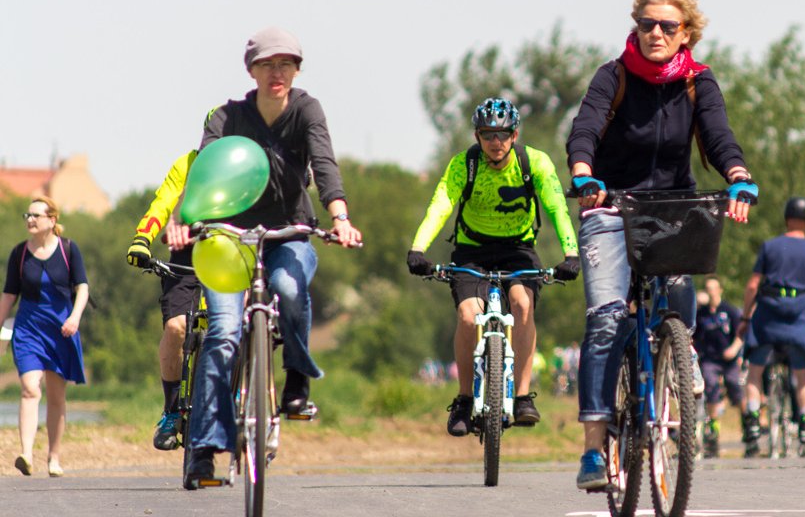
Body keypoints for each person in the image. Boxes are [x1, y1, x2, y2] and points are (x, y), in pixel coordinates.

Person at [565, 0, 757, 489]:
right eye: (647, 24)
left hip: (673, 206)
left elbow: (718, 136)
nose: (655, 33)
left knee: (676, 302)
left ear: (685, 33)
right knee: (607, 320)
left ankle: (681, 348)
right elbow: (583, 129)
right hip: (610, 205)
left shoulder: (697, 82)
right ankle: (592, 450)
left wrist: (737, 174)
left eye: (667, 26)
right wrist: (584, 172)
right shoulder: (613, 76)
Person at [185, 27, 363, 489]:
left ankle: (298, 381)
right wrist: (186, 218)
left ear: (297, 69)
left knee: (287, 287)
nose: (276, 72)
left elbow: (324, 165)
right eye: (267, 64)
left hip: (288, 233)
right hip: (228, 236)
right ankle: (203, 449)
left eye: (285, 63)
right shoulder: (227, 117)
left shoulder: (306, 110)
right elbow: (204, 169)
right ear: (252, 70)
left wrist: (339, 216)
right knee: (222, 332)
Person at [405, 97, 580, 433]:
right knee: (469, 316)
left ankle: (525, 396)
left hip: (518, 250)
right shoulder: (464, 165)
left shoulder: (535, 163)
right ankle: (465, 399)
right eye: (488, 135)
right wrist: (418, 248)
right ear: (477, 136)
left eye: (503, 135)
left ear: (515, 136)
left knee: (522, 304)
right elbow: (441, 204)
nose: (495, 143)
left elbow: (558, 208)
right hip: (472, 251)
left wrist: (570, 253)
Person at [739, 197, 805, 455]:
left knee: (755, 369)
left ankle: (754, 419)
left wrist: (745, 319)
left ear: (786, 218)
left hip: (768, 315)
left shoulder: (769, 246)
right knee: (803, 373)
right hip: (798, 317)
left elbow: (753, 285)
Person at [1, 197, 89, 477]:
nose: (30, 219)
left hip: (60, 329)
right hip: (28, 329)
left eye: (36, 215)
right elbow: (9, 295)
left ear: (52, 220)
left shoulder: (68, 250)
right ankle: (26, 453)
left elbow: (83, 288)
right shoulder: (19, 254)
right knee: (29, 388)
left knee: (56, 395)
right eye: (28, 214)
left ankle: (53, 457)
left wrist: (74, 318)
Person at [124, 149, 201, 450]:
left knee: (238, 323)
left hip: (231, 255)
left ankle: (238, 398)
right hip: (186, 255)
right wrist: (143, 239)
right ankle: (171, 410)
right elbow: (163, 202)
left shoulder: (246, 160)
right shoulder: (187, 163)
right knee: (176, 328)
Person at [693, 276, 745, 458]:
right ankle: (713, 428)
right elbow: (696, 337)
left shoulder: (729, 310)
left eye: (713, 288)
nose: (711, 292)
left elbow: (741, 333)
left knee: (734, 387)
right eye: (708, 288)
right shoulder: (702, 314)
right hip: (710, 359)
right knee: (711, 386)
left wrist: (734, 350)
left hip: (729, 359)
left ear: (720, 290)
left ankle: (747, 422)